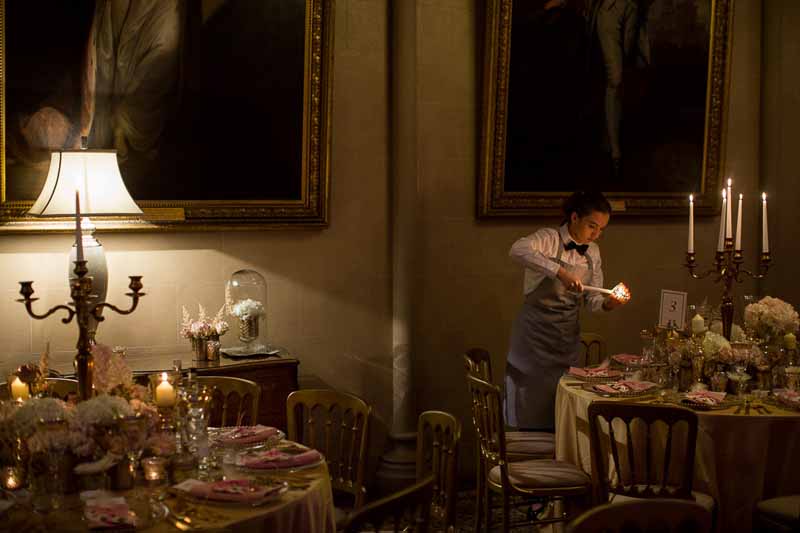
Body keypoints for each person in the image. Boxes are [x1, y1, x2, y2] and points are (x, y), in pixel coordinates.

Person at [505, 191, 628, 431]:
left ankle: (560, 462)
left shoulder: (592, 252)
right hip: (533, 342)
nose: (596, 235)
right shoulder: (548, 238)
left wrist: (609, 303)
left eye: (601, 229)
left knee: (562, 412)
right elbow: (517, 249)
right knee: (529, 409)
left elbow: (592, 301)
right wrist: (560, 272)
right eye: (592, 226)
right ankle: (528, 464)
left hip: (565, 342)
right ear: (574, 217)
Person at [585, 0, 654, 177]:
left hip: (635, 10)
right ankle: (615, 152)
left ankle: (609, 140)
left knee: (630, 74)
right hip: (611, 10)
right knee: (615, 78)